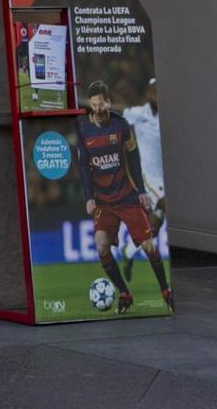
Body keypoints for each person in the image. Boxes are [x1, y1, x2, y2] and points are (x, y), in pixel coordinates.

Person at [76, 81, 173, 314]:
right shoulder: (83, 130)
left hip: (127, 196)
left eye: (103, 103)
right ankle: (125, 293)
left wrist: (139, 191)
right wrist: (89, 196)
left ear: (108, 102)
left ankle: (165, 292)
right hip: (104, 201)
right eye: (95, 104)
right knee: (101, 245)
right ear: (91, 104)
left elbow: (132, 156)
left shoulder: (120, 125)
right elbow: (82, 166)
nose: (99, 108)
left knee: (150, 244)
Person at [119, 78, 165, 281]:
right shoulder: (140, 114)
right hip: (148, 178)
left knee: (154, 229)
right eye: (154, 91)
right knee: (165, 204)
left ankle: (128, 253)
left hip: (165, 177)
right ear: (148, 94)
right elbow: (117, 111)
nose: (156, 95)